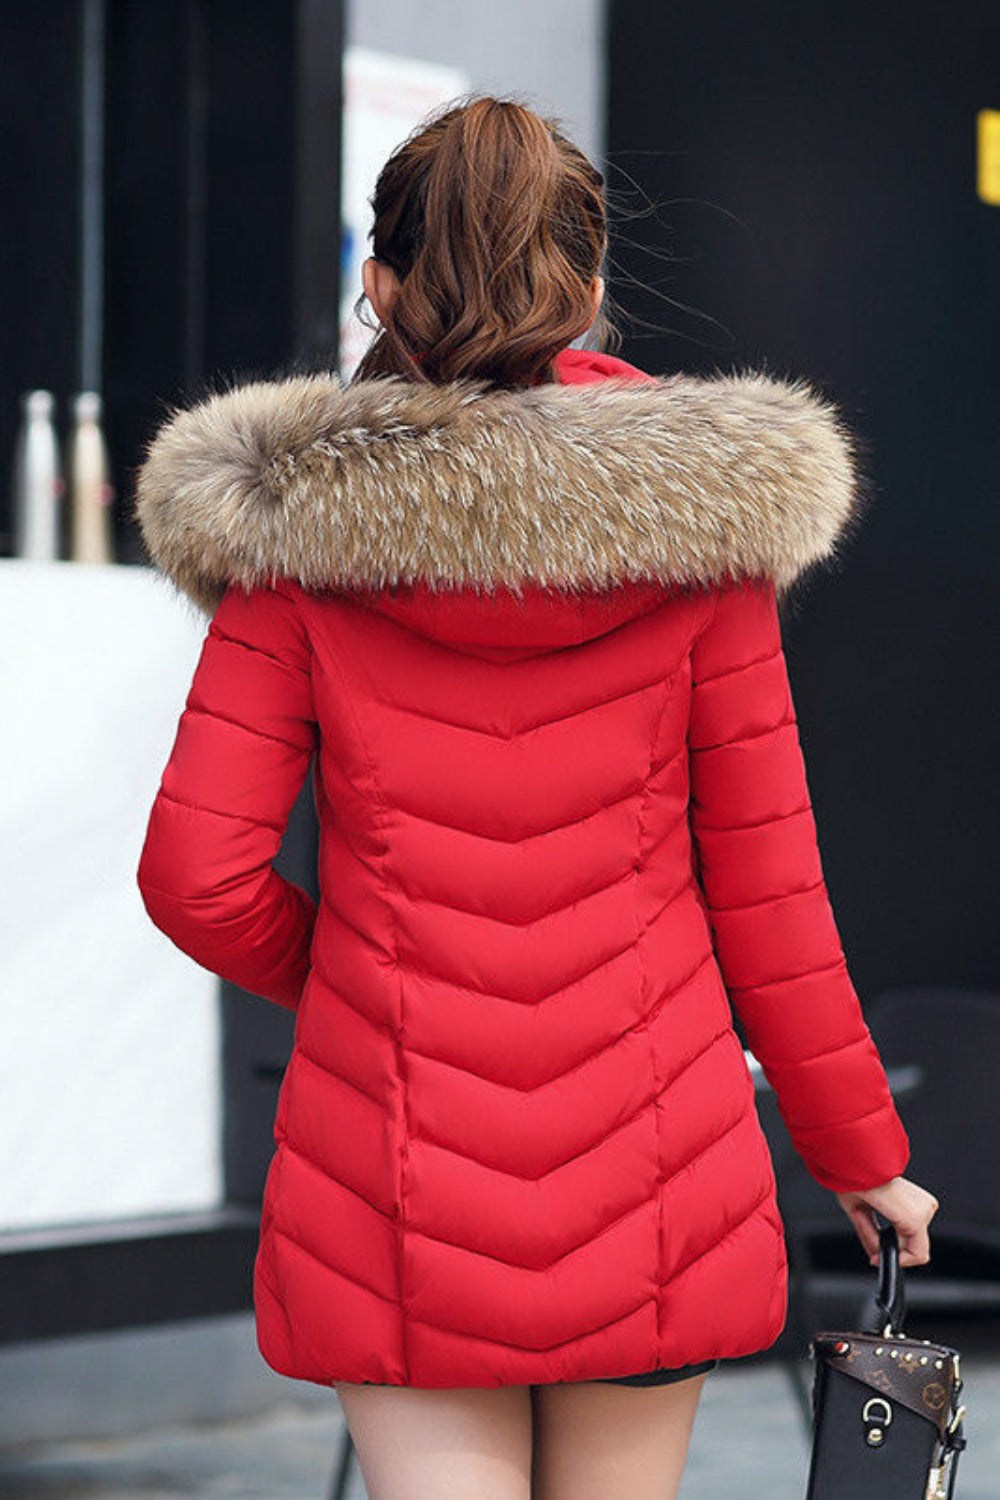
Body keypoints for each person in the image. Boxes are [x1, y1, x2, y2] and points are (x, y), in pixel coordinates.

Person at [132, 93, 938, 1500]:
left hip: (395, 1188)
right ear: (591, 291)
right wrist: (860, 1153)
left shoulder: (298, 544)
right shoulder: (701, 540)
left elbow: (193, 874)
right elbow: (771, 900)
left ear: (377, 287)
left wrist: (359, 981)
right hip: (657, 1164)